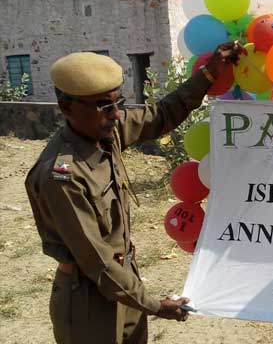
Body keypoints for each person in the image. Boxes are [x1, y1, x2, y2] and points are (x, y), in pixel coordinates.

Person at [24, 41, 244, 344]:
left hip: (125, 285)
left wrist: (208, 74)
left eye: (119, 102)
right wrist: (156, 306)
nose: (116, 114)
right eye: (104, 106)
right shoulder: (62, 176)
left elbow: (161, 115)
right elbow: (96, 262)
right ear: (66, 107)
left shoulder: (104, 132)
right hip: (89, 301)